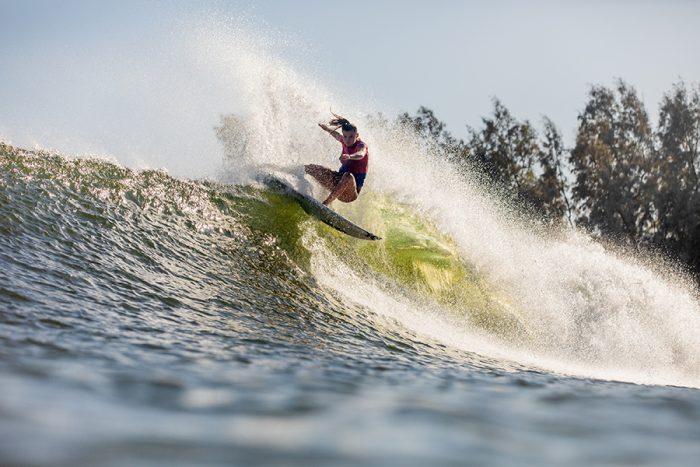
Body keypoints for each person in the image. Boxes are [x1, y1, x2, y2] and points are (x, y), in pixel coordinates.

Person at [305, 114, 369, 206]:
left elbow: (361, 154)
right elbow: (334, 133)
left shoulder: (361, 145)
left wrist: (350, 156)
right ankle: (286, 171)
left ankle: (325, 204)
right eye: (345, 136)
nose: (347, 140)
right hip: (337, 184)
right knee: (312, 168)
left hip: (349, 194)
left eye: (351, 137)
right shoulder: (343, 140)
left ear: (357, 135)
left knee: (348, 176)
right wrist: (324, 127)